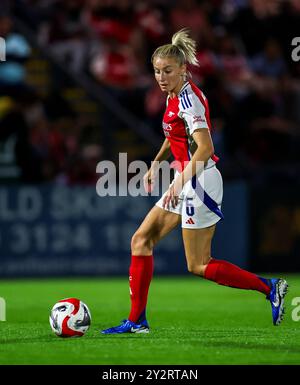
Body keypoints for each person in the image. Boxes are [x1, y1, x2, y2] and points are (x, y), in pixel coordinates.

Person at [101, 29, 288, 334]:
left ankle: (270, 287)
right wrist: (156, 164)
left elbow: (206, 148)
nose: (161, 77)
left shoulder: (189, 101)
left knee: (198, 264)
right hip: (186, 178)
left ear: (183, 69)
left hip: (200, 181)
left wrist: (179, 181)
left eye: (168, 71)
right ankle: (137, 322)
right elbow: (173, 135)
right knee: (141, 240)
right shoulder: (172, 95)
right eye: (157, 71)